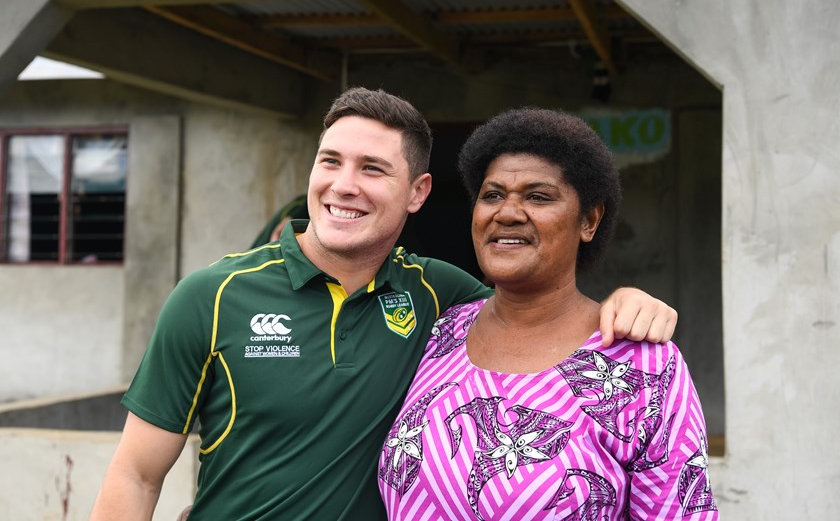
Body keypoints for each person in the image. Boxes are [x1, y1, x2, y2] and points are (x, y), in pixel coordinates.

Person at [90, 88, 678, 520]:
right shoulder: (211, 296)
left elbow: (535, 302)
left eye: (373, 168)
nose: (344, 185)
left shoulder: (439, 300)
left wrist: (625, 302)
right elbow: (136, 475)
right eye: (331, 161)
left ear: (417, 192)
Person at [378, 107, 717, 519]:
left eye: (538, 196)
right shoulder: (440, 334)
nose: (507, 212)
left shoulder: (643, 367)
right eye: (492, 195)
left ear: (589, 220)